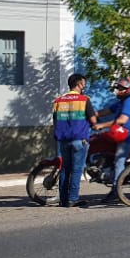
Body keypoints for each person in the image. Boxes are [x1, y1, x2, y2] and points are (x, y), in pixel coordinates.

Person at [52, 72, 97, 207]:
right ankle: (73, 198)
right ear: (79, 84)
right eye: (84, 83)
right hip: (79, 140)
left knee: (65, 169)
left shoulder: (58, 100)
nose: (85, 85)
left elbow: (55, 121)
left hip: (63, 140)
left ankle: (63, 199)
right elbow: (93, 120)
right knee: (77, 169)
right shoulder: (84, 100)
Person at [94, 76, 130, 199]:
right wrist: (89, 114)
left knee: (119, 159)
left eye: (122, 88)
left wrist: (101, 125)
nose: (119, 90)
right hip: (119, 133)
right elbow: (105, 111)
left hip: (129, 135)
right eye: (119, 88)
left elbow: (121, 120)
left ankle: (116, 190)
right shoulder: (121, 102)